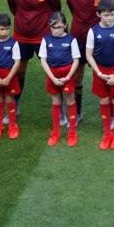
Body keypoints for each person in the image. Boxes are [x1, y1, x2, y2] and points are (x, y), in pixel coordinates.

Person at [7, 0, 61, 109]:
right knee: (19, 70)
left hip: (43, 37)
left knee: (53, 70)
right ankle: (15, 104)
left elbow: (56, 9)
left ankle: (59, 107)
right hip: (21, 36)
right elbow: (13, 6)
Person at [66, 0, 112, 123]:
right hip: (77, 39)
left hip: (97, 42)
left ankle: (110, 115)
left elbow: (109, 15)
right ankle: (77, 113)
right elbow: (72, 9)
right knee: (76, 77)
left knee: (103, 76)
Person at [85, 0, 114, 150]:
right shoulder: (93, 31)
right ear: (99, 15)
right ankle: (107, 134)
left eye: (111, 15)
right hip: (100, 72)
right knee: (104, 101)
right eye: (106, 15)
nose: (109, 18)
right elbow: (88, 55)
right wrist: (98, 72)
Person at [39, 12, 81, 147]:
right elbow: (43, 61)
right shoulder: (46, 40)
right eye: (53, 27)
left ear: (65, 26)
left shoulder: (71, 40)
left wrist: (68, 76)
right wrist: (52, 77)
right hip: (52, 75)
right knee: (56, 101)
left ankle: (72, 133)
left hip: (67, 74)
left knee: (70, 100)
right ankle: (56, 132)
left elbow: (76, 60)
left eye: (59, 27)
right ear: (49, 26)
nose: (56, 30)